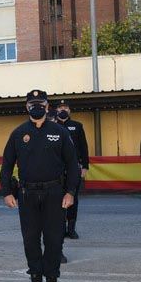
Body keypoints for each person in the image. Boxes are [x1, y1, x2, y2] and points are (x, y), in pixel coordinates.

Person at [0, 90, 79, 282]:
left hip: (55, 194)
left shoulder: (60, 132)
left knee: (54, 240)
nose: (36, 106)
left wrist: (70, 192)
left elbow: (73, 164)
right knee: (31, 241)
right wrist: (7, 192)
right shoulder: (18, 133)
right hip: (27, 195)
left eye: (40, 103)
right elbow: (6, 165)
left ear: (47, 105)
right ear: (26, 107)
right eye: (32, 103)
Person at [55, 100, 89, 239]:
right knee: (57, 199)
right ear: (56, 110)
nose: (63, 109)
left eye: (66, 107)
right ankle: (60, 229)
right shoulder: (51, 126)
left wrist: (85, 166)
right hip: (56, 169)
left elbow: (83, 147)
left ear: (69, 110)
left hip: (74, 168)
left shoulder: (77, 126)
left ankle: (71, 229)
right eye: (60, 107)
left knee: (73, 197)